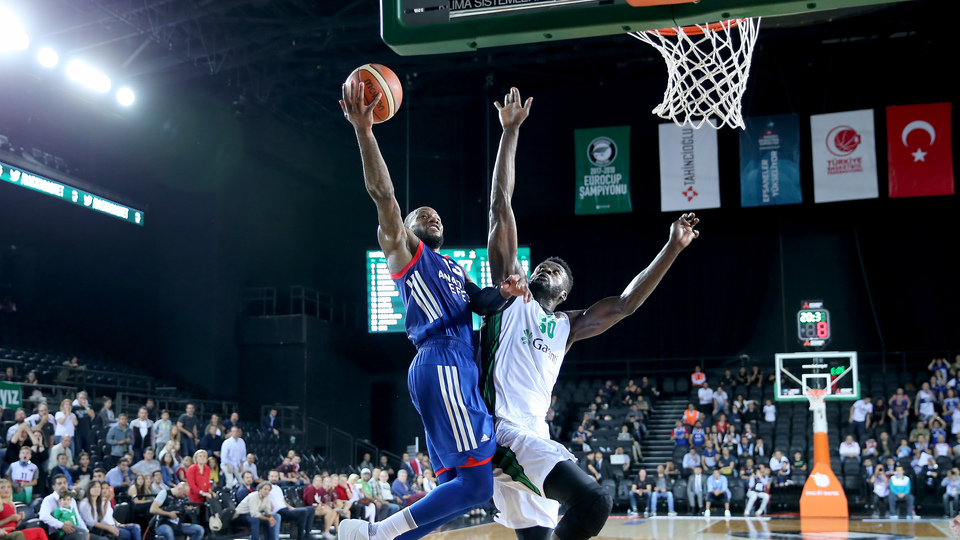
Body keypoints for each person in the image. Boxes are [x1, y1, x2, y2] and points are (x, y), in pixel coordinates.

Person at [477, 88, 699, 540]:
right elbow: (501, 207)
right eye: (542, 265)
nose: (545, 268)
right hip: (501, 431)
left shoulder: (567, 325)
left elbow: (626, 303)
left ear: (564, 293)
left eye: (555, 270)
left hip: (531, 436)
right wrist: (511, 131)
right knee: (593, 501)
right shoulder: (512, 295)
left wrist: (672, 247)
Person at [336, 80, 529, 540]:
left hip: (452, 368)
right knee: (478, 486)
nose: (433, 217)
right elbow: (384, 196)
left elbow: (481, 303)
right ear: (405, 228)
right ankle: (374, 534)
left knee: (456, 487)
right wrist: (364, 131)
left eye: (436, 216)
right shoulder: (406, 252)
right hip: (442, 361)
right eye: (422, 215)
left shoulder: (453, 268)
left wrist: (505, 291)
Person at [39, 475, 99, 540]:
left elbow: (77, 517)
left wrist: (86, 530)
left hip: (73, 528)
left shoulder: (71, 500)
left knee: (90, 535)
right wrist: (61, 525)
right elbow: (43, 516)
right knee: (80, 535)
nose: (63, 485)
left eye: (64, 483)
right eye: (59, 483)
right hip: (57, 532)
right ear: (54, 487)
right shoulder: (49, 499)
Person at [265, 470, 314, 540]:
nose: (274, 478)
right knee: (303, 512)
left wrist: (292, 508)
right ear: (268, 477)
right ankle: (300, 537)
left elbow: (284, 501)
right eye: (272, 476)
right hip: (278, 511)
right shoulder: (266, 488)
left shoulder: (278, 488)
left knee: (311, 509)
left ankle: (307, 533)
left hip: (285, 509)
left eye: (276, 476)